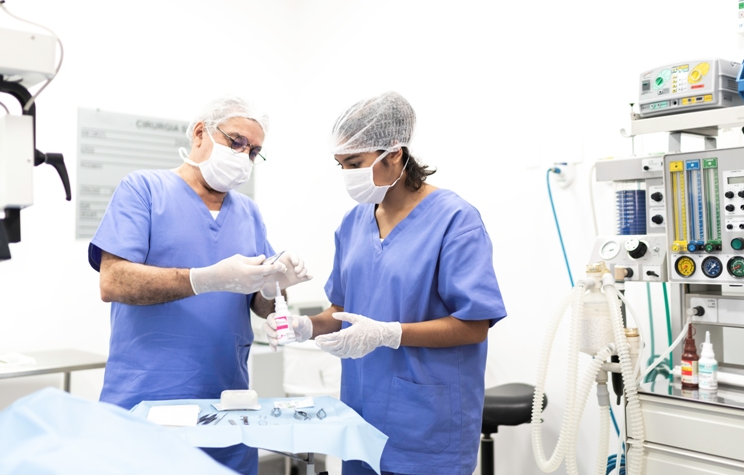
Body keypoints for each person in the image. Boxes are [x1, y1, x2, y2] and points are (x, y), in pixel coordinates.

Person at [263, 91, 507, 475]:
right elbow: (342, 310)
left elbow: (474, 325)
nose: (347, 174)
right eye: (340, 164)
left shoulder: (456, 222)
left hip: (426, 424)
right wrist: (306, 326)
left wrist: (389, 334)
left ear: (395, 153)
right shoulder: (352, 224)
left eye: (355, 163)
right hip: (361, 416)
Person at [89, 95, 311, 475]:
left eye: (254, 151)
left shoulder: (248, 212)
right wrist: (205, 278)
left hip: (228, 406)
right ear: (199, 133)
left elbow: (260, 303)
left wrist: (276, 287)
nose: (244, 156)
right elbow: (113, 281)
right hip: (147, 403)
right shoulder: (143, 189)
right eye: (236, 142)